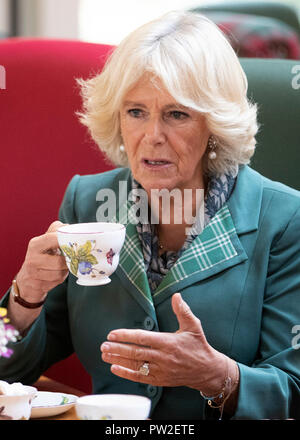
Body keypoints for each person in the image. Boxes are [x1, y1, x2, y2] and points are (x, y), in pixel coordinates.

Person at [1, 11, 300, 420]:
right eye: (136, 112)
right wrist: (23, 299)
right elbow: (9, 368)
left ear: (213, 124)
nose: (152, 136)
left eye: (177, 114)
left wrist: (217, 376)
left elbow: (293, 393)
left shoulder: (283, 219)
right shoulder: (86, 202)